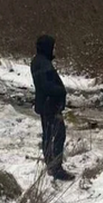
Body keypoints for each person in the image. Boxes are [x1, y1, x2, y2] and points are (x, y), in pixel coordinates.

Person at [30, 35, 75, 181]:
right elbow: (45, 85)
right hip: (49, 106)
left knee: (50, 135)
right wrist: (60, 91)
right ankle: (55, 167)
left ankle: (52, 164)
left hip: (48, 105)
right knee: (56, 135)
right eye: (53, 47)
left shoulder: (41, 61)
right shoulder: (42, 63)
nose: (55, 49)